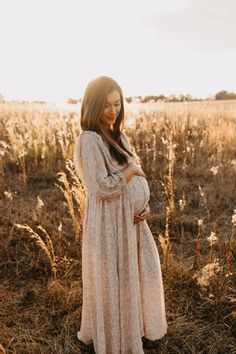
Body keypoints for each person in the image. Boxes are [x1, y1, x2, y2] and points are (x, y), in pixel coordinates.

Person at [73, 75, 168, 354]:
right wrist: (131, 172)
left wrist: (144, 206)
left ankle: (134, 331)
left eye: (117, 104)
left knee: (138, 277)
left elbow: (129, 187)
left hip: (133, 224)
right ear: (92, 107)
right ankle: (113, 340)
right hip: (109, 226)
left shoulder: (120, 136)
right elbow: (101, 186)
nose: (113, 111)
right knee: (112, 282)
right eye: (106, 105)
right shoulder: (89, 141)